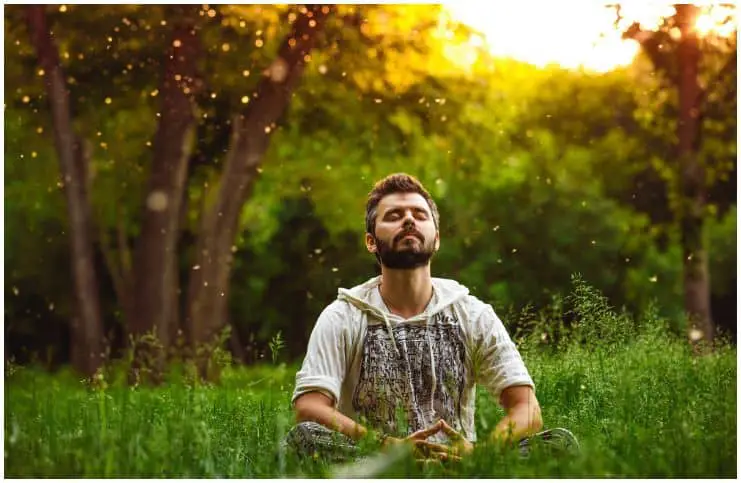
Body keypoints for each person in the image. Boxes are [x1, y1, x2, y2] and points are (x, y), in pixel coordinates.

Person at [284, 173, 567, 463]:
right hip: (375, 464)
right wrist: (383, 445)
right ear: (371, 242)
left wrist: (481, 455)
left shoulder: (472, 314)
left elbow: (527, 407)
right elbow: (309, 407)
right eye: (394, 215)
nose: (408, 220)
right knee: (302, 438)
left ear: (437, 238)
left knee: (559, 444)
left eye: (419, 214)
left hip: (459, 467)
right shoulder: (342, 316)